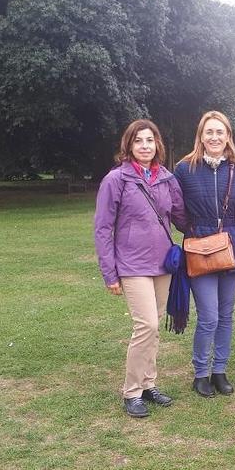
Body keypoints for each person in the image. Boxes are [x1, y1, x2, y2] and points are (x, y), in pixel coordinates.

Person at [94, 119, 188, 418]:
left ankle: (149, 384)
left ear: (157, 144)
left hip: (163, 263)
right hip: (132, 264)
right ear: (129, 146)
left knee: (154, 325)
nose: (145, 146)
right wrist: (110, 273)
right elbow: (102, 228)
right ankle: (132, 391)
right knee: (145, 325)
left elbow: (181, 217)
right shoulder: (116, 180)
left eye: (150, 140)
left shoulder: (166, 178)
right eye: (139, 141)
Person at [175, 111, 235, 398]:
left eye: (219, 132)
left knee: (226, 315)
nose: (214, 137)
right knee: (208, 316)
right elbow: (176, 209)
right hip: (199, 250)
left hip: (233, 248)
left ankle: (219, 370)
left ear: (228, 137)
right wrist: (195, 228)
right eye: (209, 132)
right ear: (200, 136)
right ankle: (200, 373)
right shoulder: (184, 169)